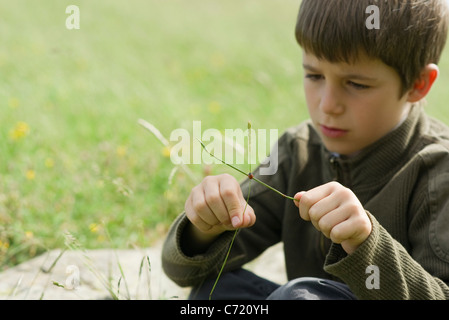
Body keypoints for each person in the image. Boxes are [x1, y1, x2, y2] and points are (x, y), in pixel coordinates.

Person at [162, 0, 449, 299]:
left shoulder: (438, 171)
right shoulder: (298, 152)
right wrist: (205, 226)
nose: (327, 105)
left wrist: (366, 245)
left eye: (357, 84)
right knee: (219, 290)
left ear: (418, 83)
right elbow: (182, 272)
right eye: (314, 76)